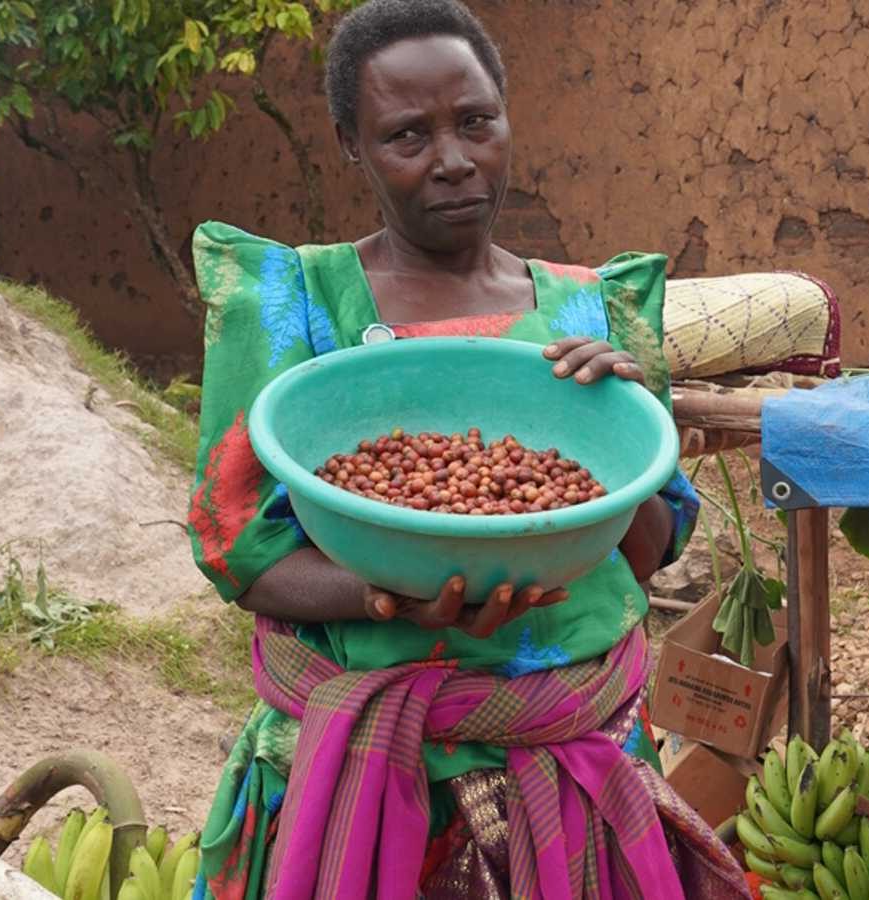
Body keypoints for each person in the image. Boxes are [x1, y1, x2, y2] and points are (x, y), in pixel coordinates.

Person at [183, 1, 749, 896]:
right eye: (407, 135)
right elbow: (239, 553)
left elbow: (638, 559)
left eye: (476, 121)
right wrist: (387, 596)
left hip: (574, 766)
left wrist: (629, 426)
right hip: (359, 785)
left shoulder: (590, 310)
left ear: (506, 115)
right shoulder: (295, 302)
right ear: (351, 143)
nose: (453, 160)